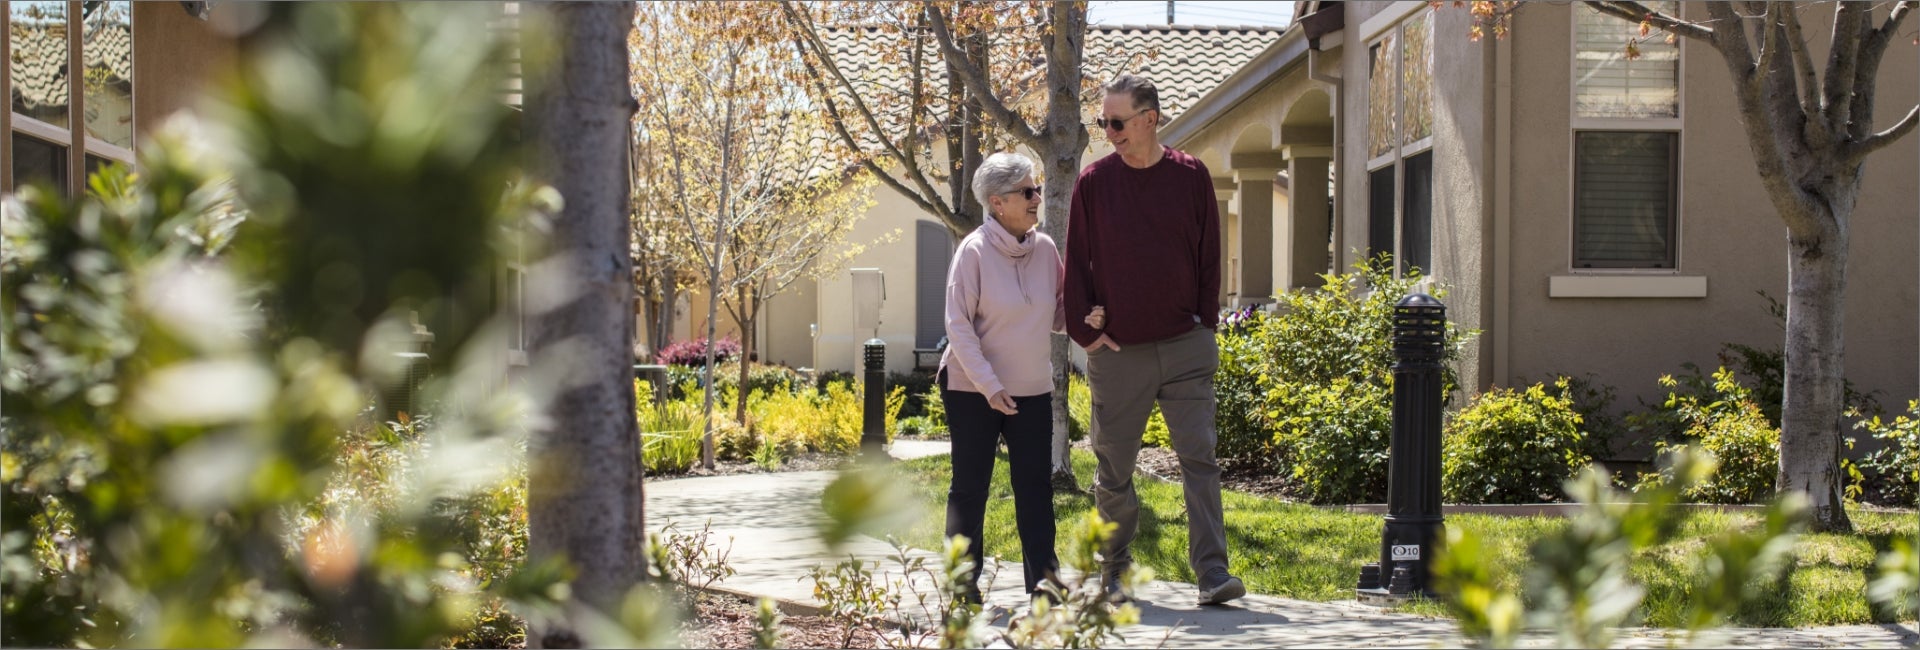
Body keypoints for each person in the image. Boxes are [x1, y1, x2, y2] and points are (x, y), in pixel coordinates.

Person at [1064, 74, 1245, 606]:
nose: (1109, 131)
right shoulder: (1094, 183)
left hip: (1186, 345)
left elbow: (1210, 254)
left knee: (1200, 459)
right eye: (1103, 122)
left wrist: (1204, 323)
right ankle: (1115, 569)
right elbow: (1076, 264)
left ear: (1150, 120)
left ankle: (1213, 572)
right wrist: (1083, 331)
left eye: (1117, 122)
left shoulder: (1190, 176)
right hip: (1119, 352)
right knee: (1114, 468)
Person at [938, 152, 1088, 605]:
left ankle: (1044, 584)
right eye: (1027, 191)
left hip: (1031, 389)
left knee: (1035, 488)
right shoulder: (974, 251)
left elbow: (1058, 312)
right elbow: (958, 325)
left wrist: (1088, 320)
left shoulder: (1044, 249)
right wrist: (990, 386)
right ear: (998, 202)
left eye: (1037, 188)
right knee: (971, 486)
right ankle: (963, 587)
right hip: (972, 389)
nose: (1037, 198)